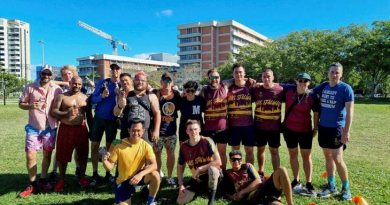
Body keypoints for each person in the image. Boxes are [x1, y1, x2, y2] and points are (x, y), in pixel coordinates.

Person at [18, 68, 62, 198]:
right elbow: (21, 104)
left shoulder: (57, 89)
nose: (46, 76)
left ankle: (43, 180)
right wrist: (30, 106)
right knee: (31, 155)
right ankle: (33, 184)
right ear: (40, 74)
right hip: (34, 126)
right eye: (44, 74)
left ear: (52, 76)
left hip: (51, 127)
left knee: (47, 155)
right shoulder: (30, 87)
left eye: (49, 74)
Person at [313, 63, 354, 200]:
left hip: (337, 128)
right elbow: (308, 91)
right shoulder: (323, 86)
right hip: (323, 127)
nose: (334, 75)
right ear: (328, 73)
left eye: (337, 72)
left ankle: (346, 188)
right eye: (332, 72)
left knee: (337, 158)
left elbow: (350, 111)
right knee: (328, 157)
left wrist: (346, 131)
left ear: (341, 74)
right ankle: (331, 185)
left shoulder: (346, 88)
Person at [48, 65, 94, 185]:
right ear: (70, 83)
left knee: (83, 155)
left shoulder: (85, 98)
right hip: (65, 128)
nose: (77, 86)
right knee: (63, 155)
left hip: (81, 129)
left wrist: (91, 130)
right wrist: (66, 113)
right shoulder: (62, 97)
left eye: (79, 84)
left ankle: (82, 177)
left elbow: (89, 115)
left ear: (81, 85)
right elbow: (54, 111)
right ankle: (62, 180)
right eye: (74, 84)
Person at [102, 119, 160, 205]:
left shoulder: (146, 146)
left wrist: (140, 174)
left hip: (138, 177)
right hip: (122, 182)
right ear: (129, 130)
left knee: (155, 175)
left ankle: (151, 202)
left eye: (138, 130)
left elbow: (154, 165)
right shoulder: (119, 144)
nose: (136, 133)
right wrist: (104, 160)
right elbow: (109, 167)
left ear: (143, 131)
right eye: (133, 130)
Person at [282, 73, 319, 196]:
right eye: (300, 80)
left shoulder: (312, 96)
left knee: (306, 156)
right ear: (296, 81)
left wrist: (315, 128)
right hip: (289, 130)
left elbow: (316, 112)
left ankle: (308, 182)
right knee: (293, 155)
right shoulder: (289, 90)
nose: (303, 83)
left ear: (309, 83)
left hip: (305, 131)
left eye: (306, 81)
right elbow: (272, 84)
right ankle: (296, 180)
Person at [223, 150, 294, 205]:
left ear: (241, 160)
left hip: (264, 187)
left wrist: (242, 192)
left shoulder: (247, 166)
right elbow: (224, 191)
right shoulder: (228, 173)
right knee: (274, 203)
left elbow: (258, 181)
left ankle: (290, 203)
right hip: (254, 196)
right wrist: (232, 197)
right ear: (229, 160)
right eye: (233, 159)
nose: (236, 161)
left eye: (238, 159)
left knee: (282, 170)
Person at [176, 120, 222, 205]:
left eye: (195, 129)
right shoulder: (183, 146)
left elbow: (218, 162)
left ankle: (210, 201)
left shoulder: (207, 141)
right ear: (186, 131)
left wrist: (199, 169)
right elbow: (179, 166)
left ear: (200, 129)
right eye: (190, 130)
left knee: (213, 170)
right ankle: (204, 190)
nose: (193, 132)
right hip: (198, 178)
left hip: (212, 174)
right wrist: (181, 185)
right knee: (180, 201)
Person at [90, 63, 121, 185]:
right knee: (94, 146)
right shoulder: (103, 83)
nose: (114, 70)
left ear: (120, 70)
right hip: (99, 118)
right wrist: (101, 96)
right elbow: (93, 99)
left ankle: (108, 174)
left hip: (112, 120)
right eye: (112, 68)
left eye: (117, 68)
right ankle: (94, 174)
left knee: (109, 148)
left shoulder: (122, 85)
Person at [114, 71, 160, 144]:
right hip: (127, 133)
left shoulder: (151, 96)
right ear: (133, 81)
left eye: (143, 80)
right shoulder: (125, 95)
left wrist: (156, 130)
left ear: (146, 83)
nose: (140, 82)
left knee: (145, 155)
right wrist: (120, 106)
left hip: (145, 133)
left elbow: (157, 113)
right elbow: (116, 113)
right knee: (127, 155)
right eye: (138, 80)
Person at [253, 69, 284, 177]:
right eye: (264, 77)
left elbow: (293, 87)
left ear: (273, 77)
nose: (266, 79)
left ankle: (276, 173)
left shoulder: (280, 90)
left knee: (274, 150)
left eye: (268, 76)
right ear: (261, 78)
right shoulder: (256, 89)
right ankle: (261, 171)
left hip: (274, 127)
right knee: (260, 149)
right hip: (259, 126)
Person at [151, 72, 181, 186]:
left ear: (172, 82)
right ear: (161, 82)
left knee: (171, 154)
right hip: (158, 132)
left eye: (169, 81)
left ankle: (169, 177)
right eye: (165, 80)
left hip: (171, 132)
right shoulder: (155, 93)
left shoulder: (176, 95)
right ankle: (158, 174)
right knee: (157, 154)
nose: (167, 83)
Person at [200, 68, 229, 169]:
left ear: (220, 78)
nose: (214, 79)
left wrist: (248, 79)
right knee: (209, 154)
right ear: (208, 79)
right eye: (211, 77)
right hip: (208, 129)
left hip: (223, 128)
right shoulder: (204, 91)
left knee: (222, 152)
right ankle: (210, 174)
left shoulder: (225, 87)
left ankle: (223, 173)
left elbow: (237, 79)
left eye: (216, 77)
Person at [227, 63, 256, 164]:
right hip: (233, 126)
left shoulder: (251, 86)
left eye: (240, 72)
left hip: (248, 125)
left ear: (245, 74)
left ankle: (249, 172)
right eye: (236, 72)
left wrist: (249, 80)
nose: (238, 74)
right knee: (235, 151)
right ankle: (236, 172)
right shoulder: (228, 88)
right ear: (233, 74)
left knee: (249, 150)